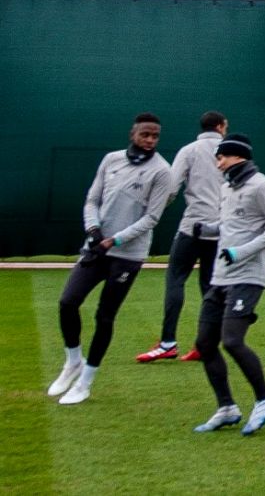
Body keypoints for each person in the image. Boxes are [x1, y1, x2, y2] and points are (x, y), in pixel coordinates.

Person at [49, 112, 174, 404]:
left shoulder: (162, 171)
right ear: (133, 133)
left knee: (105, 316)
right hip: (96, 248)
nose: (150, 140)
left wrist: (114, 240)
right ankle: (73, 362)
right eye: (145, 134)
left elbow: (152, 218)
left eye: (155, 136)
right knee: (68, 302)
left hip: (127, 255)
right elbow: (93, 199)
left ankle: (85, 382)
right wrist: (93, 231)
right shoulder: (111, 160)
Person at [191, 134, 265, 435]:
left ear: (237, 157)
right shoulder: (226, 188)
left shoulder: (262, 186)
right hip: (220, 277)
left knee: (232, 340)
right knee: (205, 343)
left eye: (221, 156)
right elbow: (231, 225)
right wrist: (207, 230)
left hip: (248, 277)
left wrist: (242, 252)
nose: (217, 161)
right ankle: (227, 408)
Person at [137, 111, 226, 364]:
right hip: (220, 229)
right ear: (220, 127)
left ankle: (168, 343)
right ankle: (205, 345)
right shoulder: (230, 150)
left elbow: (170, 188)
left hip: (192, 227)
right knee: (209, 286)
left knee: (175, 279)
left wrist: (149, 216)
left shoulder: (189, 150)